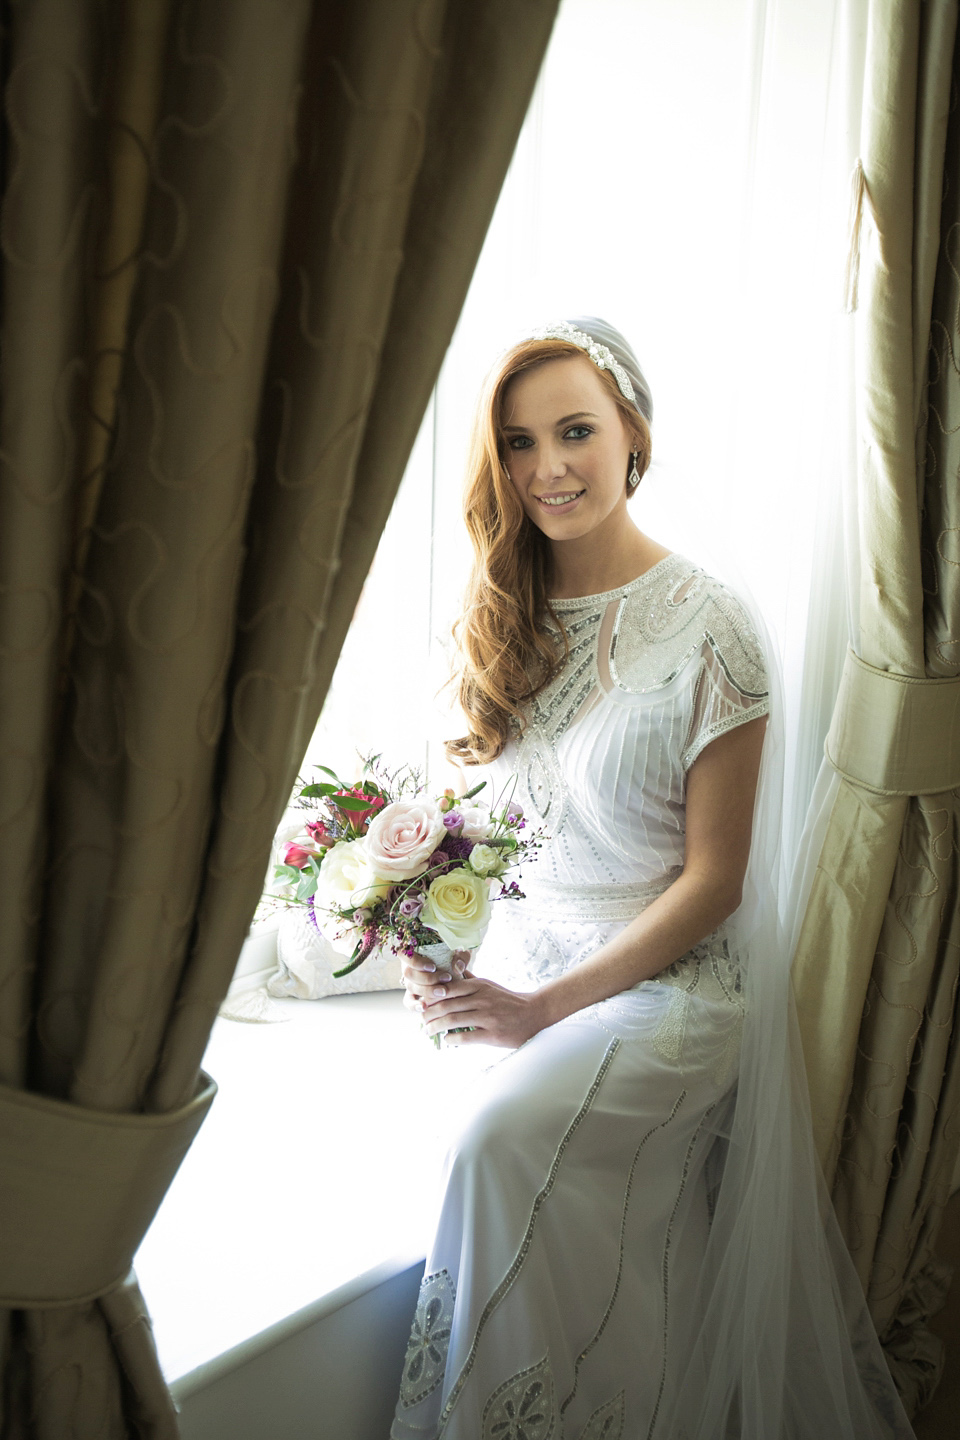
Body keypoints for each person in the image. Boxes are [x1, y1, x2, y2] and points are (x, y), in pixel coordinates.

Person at [389, 319, 916, 1440]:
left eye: (576, 430)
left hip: (675, 989)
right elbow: (483, 847)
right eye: (521, 442)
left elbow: (717, 884)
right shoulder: (499, 621)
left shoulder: (712, 622)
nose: (549, 467)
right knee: (589, 1232)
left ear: (632, 434)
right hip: (532, 968)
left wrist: (538, 1011)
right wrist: (430, 952)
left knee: (494, 1143)